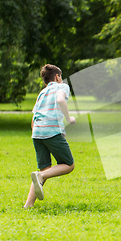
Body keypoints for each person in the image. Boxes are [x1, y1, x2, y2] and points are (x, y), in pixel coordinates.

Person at [24, 64, 76, 208]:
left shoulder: (42, 92)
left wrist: (36, 133)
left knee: (44, 170)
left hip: (37, 133)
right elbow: (60, 100)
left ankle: (28, 204)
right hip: (51, 131)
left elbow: (34, 116)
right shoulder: (62, 87)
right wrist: (69, 118)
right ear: (58, 77)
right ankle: (40, 177)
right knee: (68, 165)